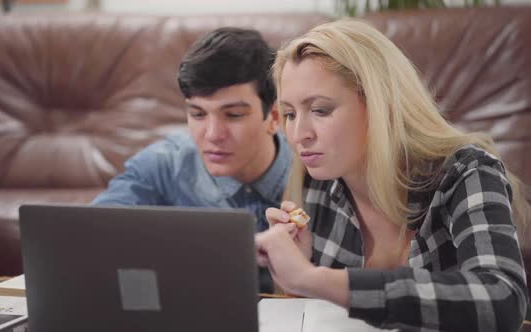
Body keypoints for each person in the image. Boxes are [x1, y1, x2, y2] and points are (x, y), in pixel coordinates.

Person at [255, 18, 530, 331]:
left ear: (381, 105)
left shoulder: (467, 172)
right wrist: (298, 276)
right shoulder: (316, 179)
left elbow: (502, 301)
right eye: (290, 114)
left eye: (320, 110)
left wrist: (314, 278)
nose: (299, 134)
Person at [92, 27, 292, 293]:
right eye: (197, 114)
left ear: (274, 117)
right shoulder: (163, 165)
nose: (212, 135)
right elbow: (90, 234)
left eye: (233, 115)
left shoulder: (316, 170)